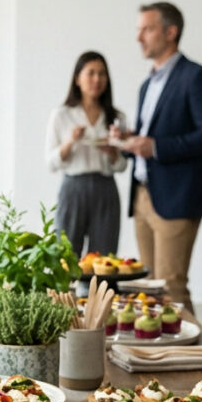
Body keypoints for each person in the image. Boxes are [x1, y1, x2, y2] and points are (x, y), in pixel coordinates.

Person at [111, 1, 202, 313]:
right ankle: (162, 358)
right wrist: (127, 140)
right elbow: (154, 133)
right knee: (151, 286)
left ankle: (195, 359)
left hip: (178, 196)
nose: (139, 38)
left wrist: (155, 147)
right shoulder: (148, 84)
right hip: (143, 195)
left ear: (171, 32)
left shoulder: (197, 77)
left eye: (147, 29)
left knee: (171, 286)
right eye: (138, 30)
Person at [45, 52, 129, 259]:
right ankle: (64, 293)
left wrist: (112, 152)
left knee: (104, 255)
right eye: (91, 73)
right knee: (65, 255)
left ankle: (101, 292)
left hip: (105, 188)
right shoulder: (62, 114)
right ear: (77, 78)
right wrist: (70, 142)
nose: (97, 80)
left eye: (102, 74)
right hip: (74, 187)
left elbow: (122, 166)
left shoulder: (116, 117)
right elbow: (51, 163)